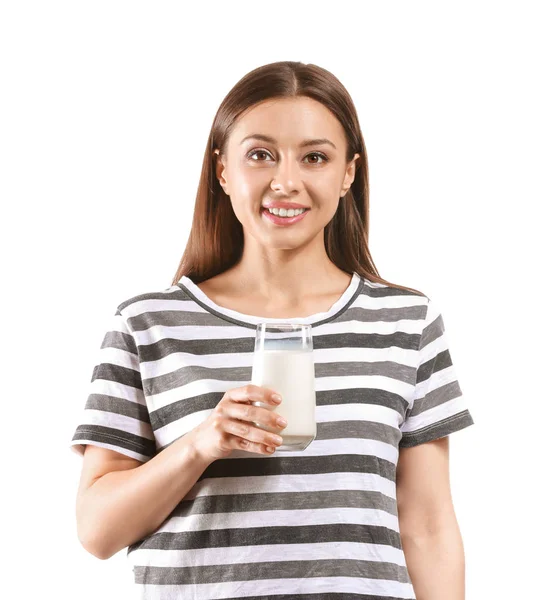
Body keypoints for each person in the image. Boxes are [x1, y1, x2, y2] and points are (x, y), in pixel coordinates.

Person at [70, 60, 474, 599]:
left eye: (315, 157)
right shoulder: (147, 325)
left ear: (348, 173)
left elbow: (428, 528)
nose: (286, 181)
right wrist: (199, 446)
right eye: (260, 155)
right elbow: (96, 531)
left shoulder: (407, 323)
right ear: (222, 170)